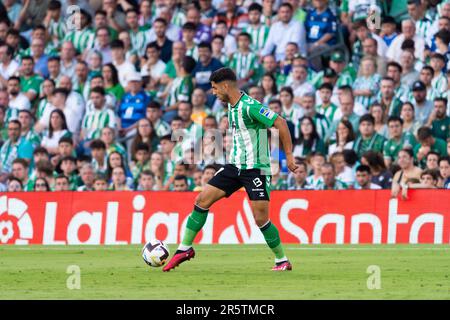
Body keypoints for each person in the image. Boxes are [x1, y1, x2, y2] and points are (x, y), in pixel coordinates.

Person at [163, 67, 297, 272]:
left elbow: (280, 122)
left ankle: (282, 260)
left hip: (256, 170)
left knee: (261, 218)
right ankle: (184, 248)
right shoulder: (231, 106)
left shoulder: (250, 106)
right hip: (234, 167)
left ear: (226, 86)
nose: (214, 93)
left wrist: (288, 155)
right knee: (201, 200)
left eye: (215, 89)